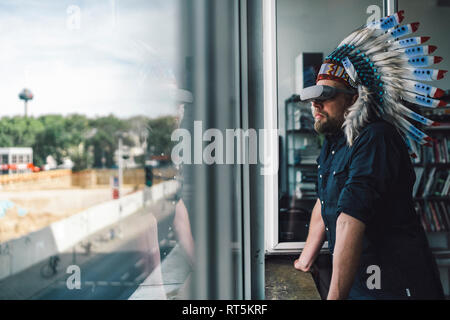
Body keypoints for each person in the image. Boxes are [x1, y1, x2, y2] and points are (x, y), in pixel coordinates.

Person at [294, 10, 445, 300]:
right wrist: (304, 260)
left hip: (397, 289)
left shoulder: (377, 138)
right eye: (314, 97)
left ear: (355, 98)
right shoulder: (334, 140)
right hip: (360, 284)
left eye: (326, 96)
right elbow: (324, 203)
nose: (316, 104)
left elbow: (349, 219)